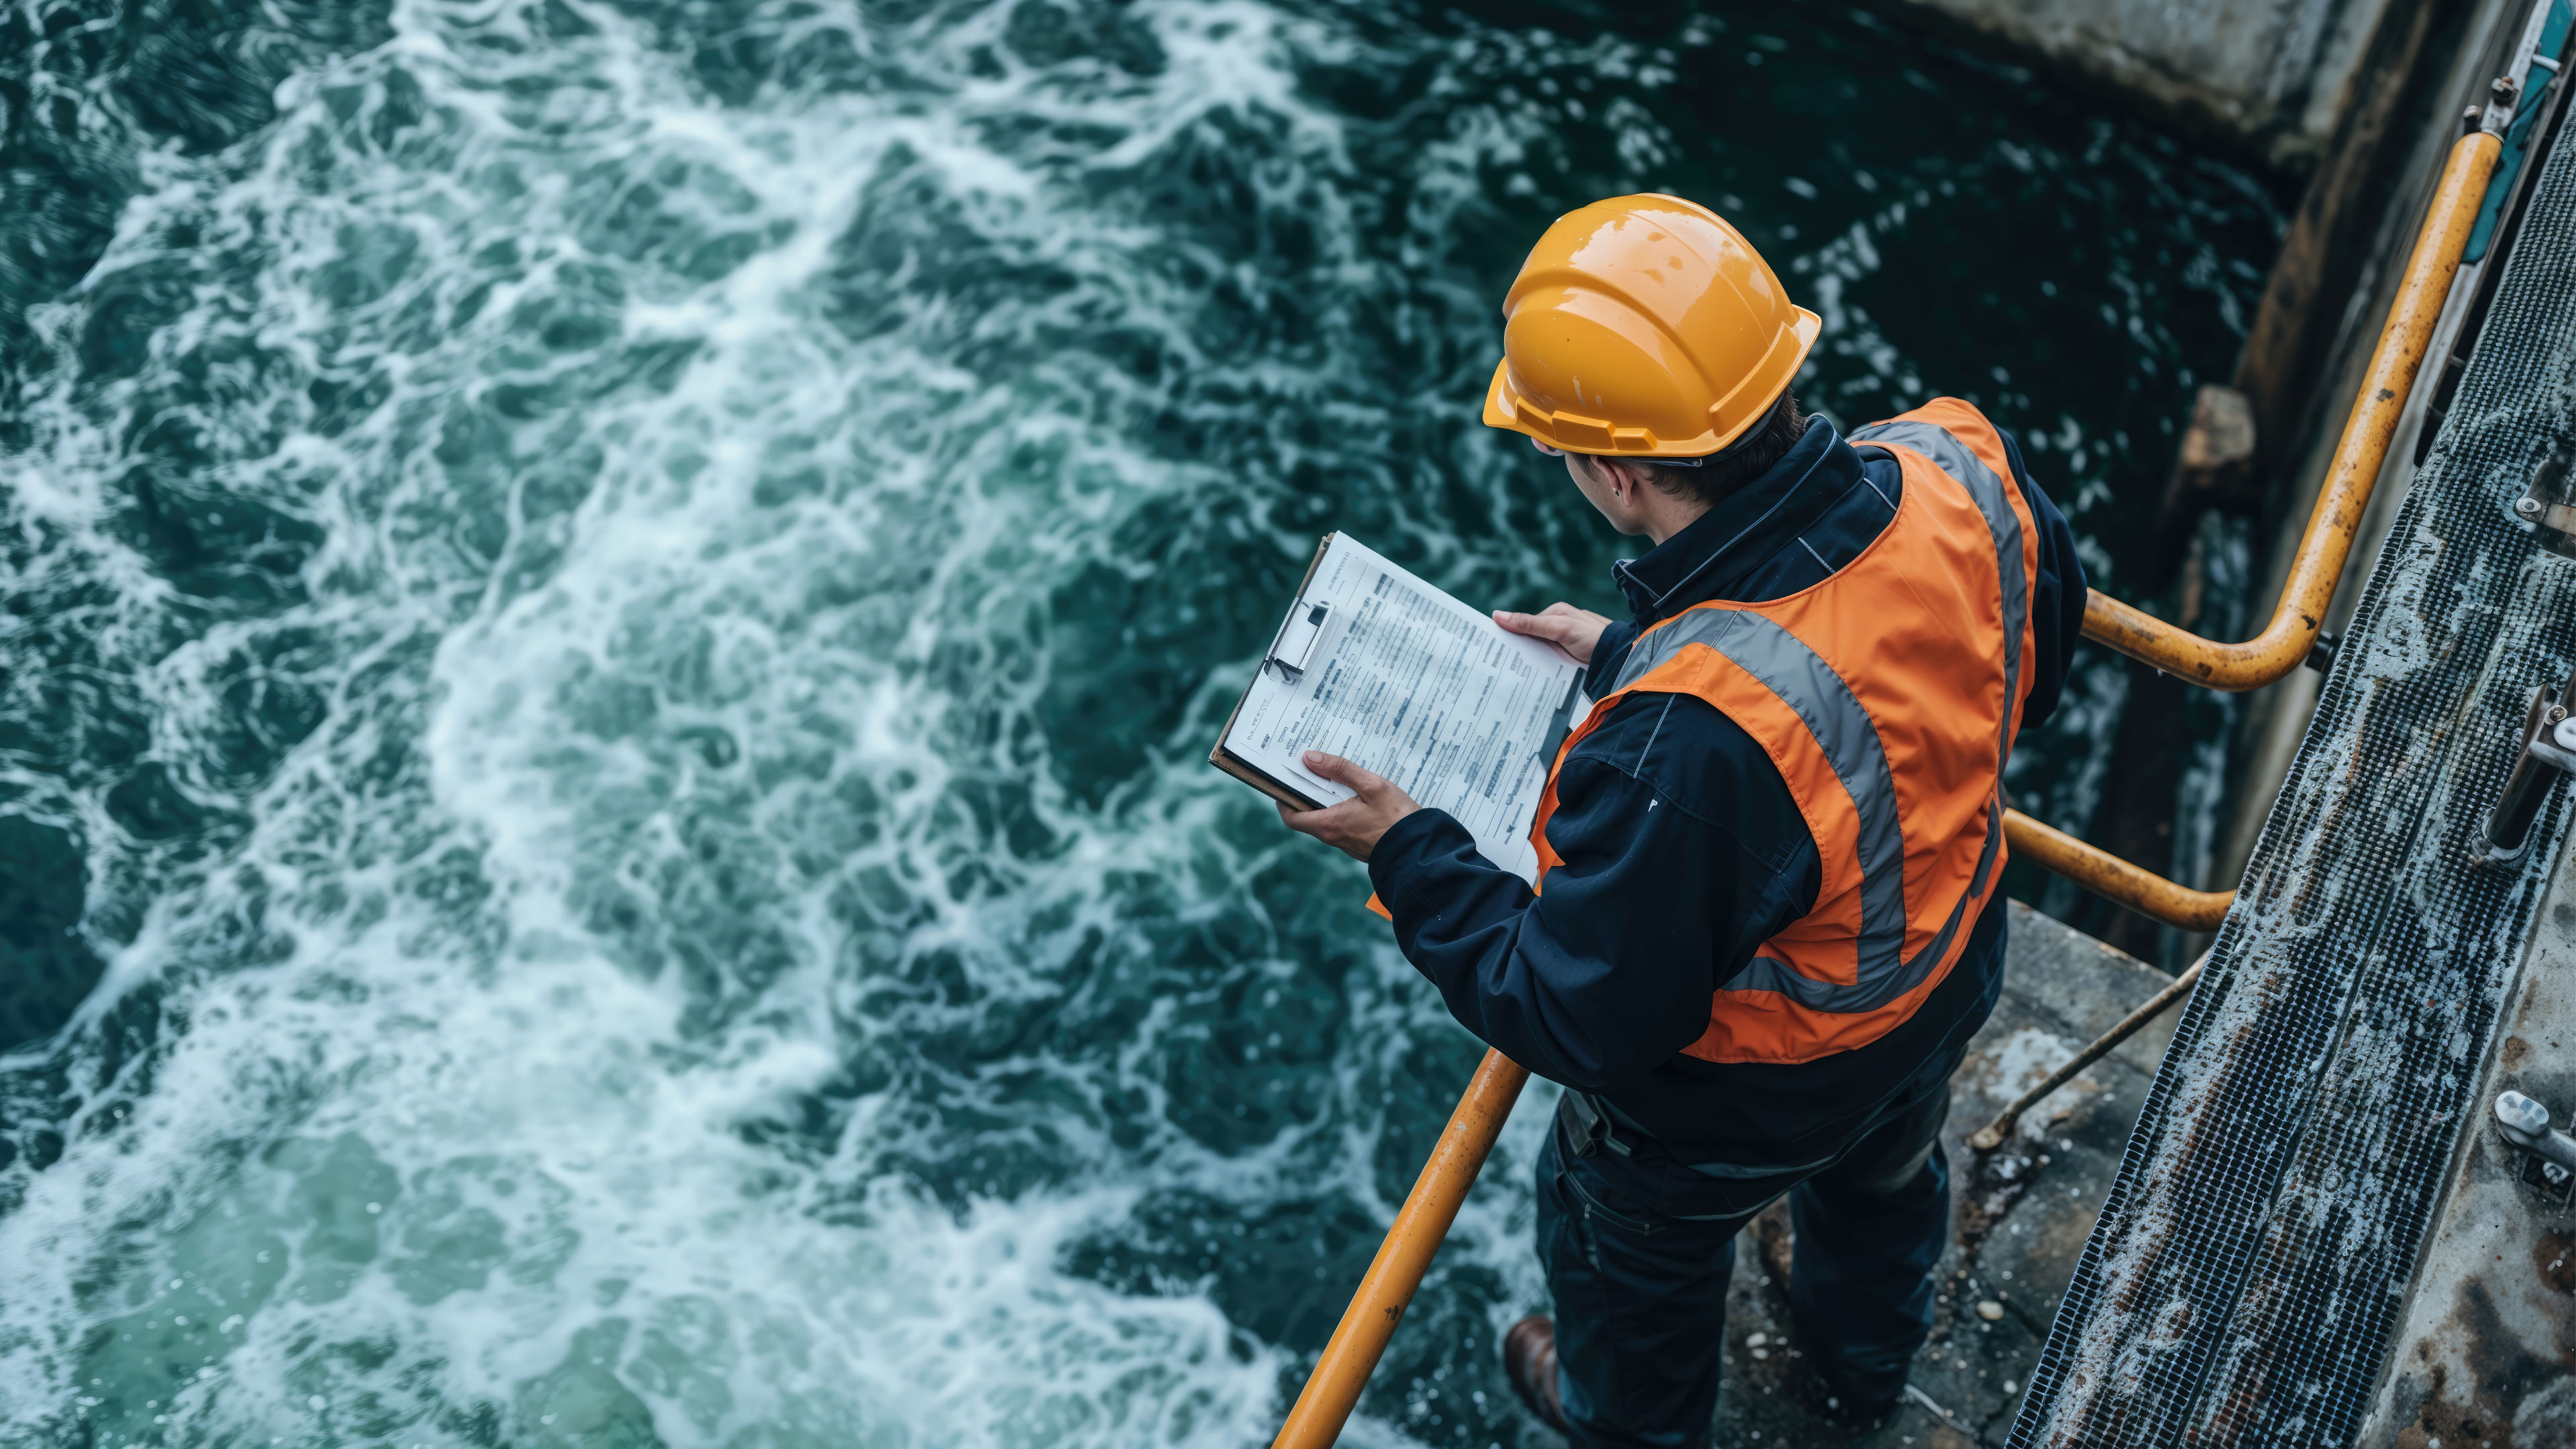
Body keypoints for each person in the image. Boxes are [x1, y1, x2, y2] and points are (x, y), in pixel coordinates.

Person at [1275, 194, 2086, 1447]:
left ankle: (1624, 1429)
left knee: (1623, 1274)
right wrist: (1639, 654)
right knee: (1883, 1194)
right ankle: (1861, 1378)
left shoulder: (1686, 745)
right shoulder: (1955, 462)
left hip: (1751, 1105)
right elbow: (2025, 646)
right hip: (1947, 972)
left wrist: (1408, 850)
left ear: (1615, 469)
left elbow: (1578, 1011)